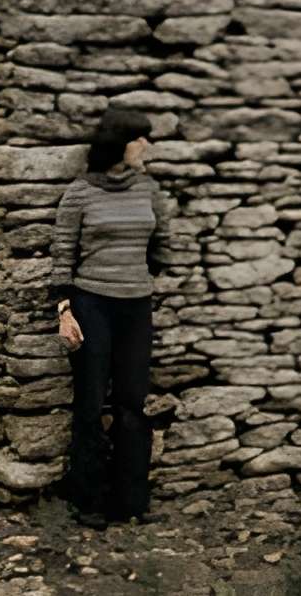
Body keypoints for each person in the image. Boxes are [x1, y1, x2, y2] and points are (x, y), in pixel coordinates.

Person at [47, 107, 175, 527]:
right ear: (120, 143)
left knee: (132, 405)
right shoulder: (81, 192)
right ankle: (88, 501)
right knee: (89, 402)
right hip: (92, 304)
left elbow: (162, 243)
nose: (147, 147)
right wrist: (66, 311)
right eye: (141, 139)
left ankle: (131, 502)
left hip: (135, 306)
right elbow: (63, 255)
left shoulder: (147, 189)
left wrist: (140, 277)